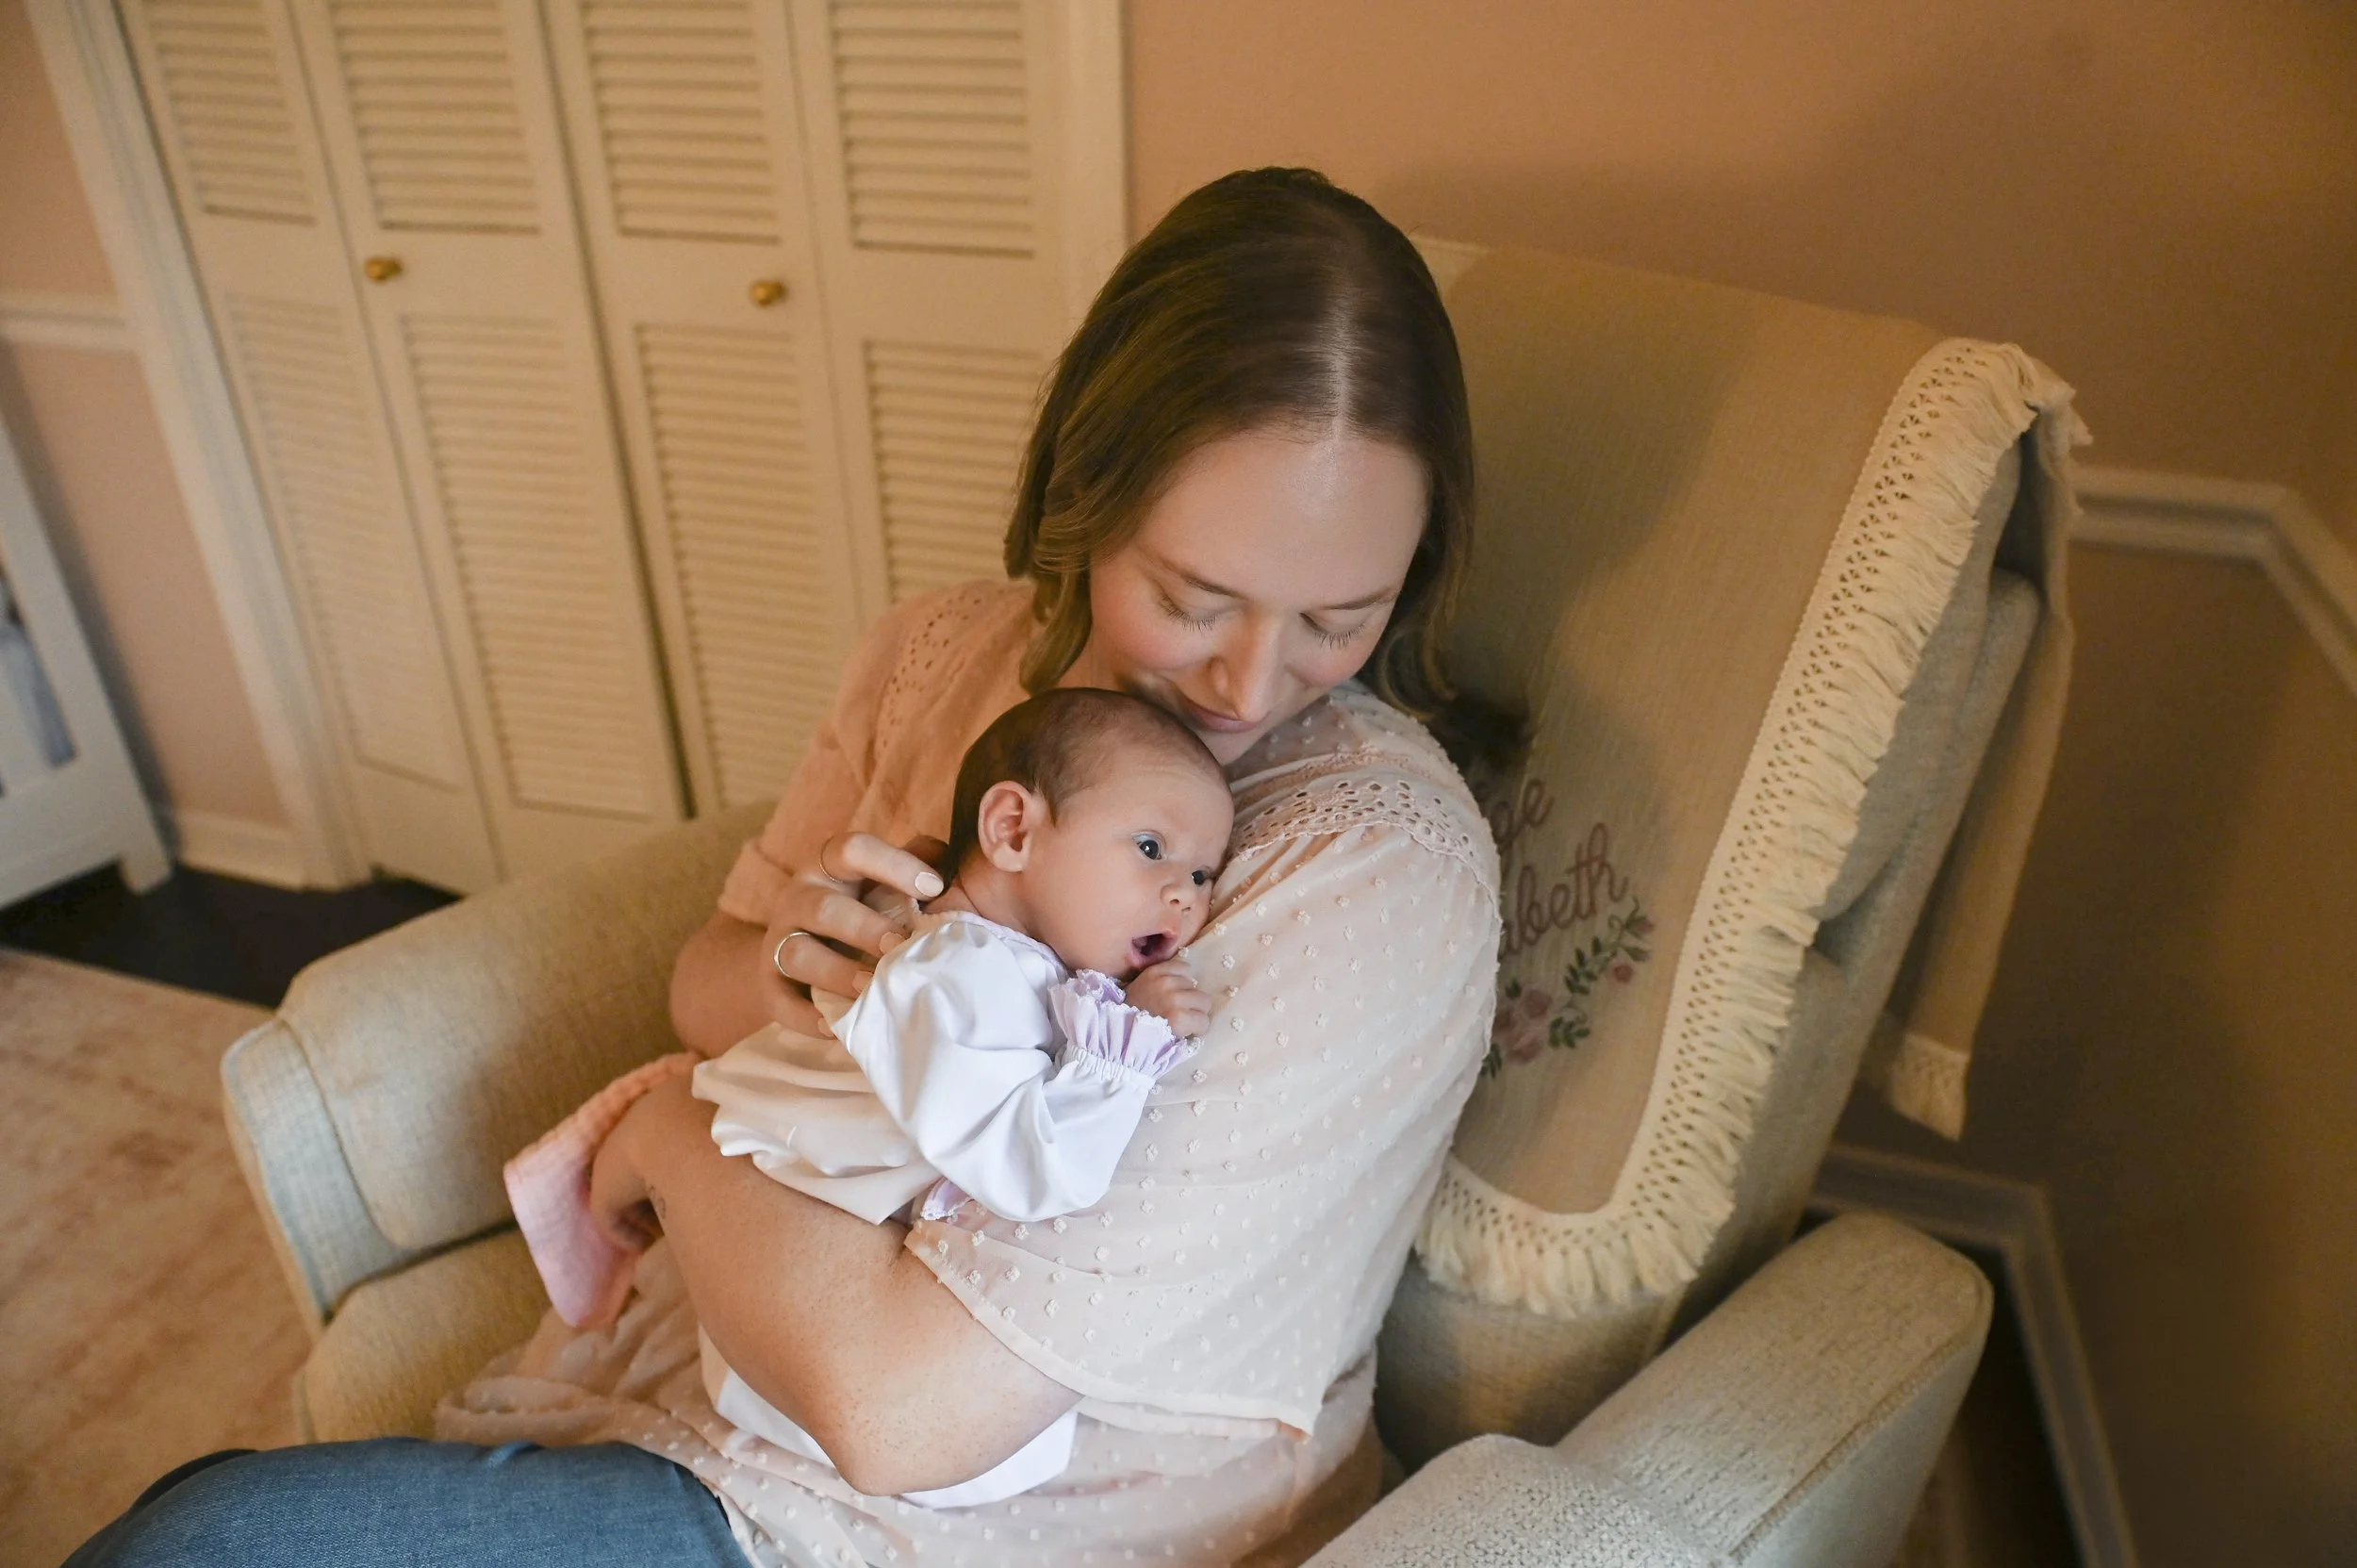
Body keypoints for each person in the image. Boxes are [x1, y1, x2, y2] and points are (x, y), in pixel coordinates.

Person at [68, 166, 1513, 1568]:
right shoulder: (946, 658)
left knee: (212, 1539)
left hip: (1007, 1511)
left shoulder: (1369, 873)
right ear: (1091, 492)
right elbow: (707, 976)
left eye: (1342, 617)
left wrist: (676, 1141)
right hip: (728, 1370)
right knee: (196, 1514)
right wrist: (796, 986)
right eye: (1193, 597)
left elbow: (901, 1416)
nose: (1253, 683)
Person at [510, 689, 1228, 1511]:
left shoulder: (996, 961)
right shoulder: (955, 972)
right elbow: (1031, 1170)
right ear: (1013, 829)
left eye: (1204, 872)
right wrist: (1125, 1055)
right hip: (792, 1295)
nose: (1185, 894)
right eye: (1151, 848)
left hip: (814, 1283)